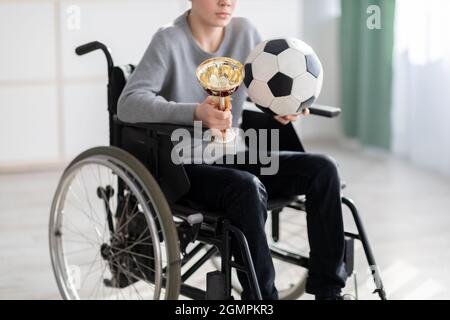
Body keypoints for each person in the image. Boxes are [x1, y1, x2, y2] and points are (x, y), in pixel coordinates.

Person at [118, 0, 347, 300]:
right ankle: (261, 301)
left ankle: (329, 291)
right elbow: (128, 103)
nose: (226, 1)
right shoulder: (168, 40)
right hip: (185, 165)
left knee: (323, 169)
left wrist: (279, 109)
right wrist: (195, 113)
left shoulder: (244, 31)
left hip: (236, 154)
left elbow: (261, 87)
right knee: (247, 188)